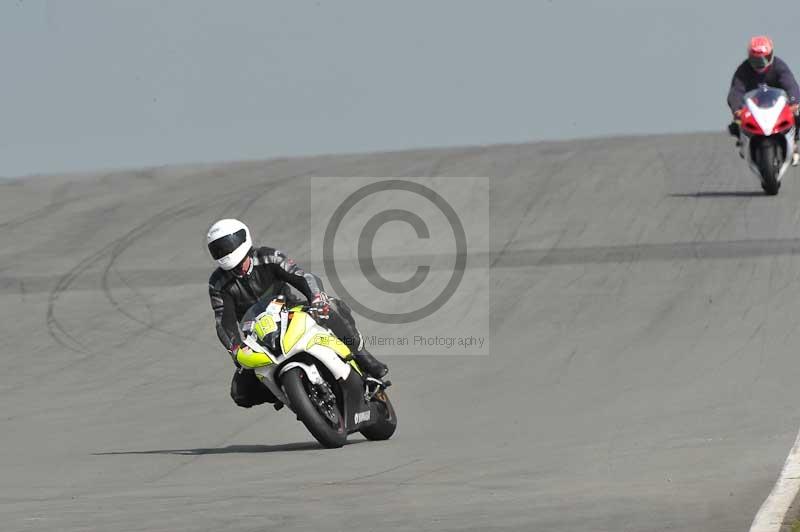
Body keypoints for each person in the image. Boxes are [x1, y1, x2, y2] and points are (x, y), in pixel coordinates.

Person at [206, 218, 388, 409]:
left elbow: (302, 276)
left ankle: (362, 356)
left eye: (239, 262)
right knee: (240, 393)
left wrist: (317, 297)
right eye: (219, 249)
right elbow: (223, 321)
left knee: (332, 308)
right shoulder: (217, 283)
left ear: (244, 242)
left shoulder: (268, 256)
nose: (237, 267)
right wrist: (235, 348)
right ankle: (284, 391)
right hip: (258, 334)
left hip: (291, 312)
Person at [727, 35, 800, 166]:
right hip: (754, 106)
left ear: (771, 55)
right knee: (735, 123)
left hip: (776, 104)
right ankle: (743, 143)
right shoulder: (744, 69)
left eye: (763, 58)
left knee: (797, 116)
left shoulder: (779, 66)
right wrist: (736, 108)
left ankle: (794, 143)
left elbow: (790, 84)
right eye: (755, 60)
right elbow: (736, 90)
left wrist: (794, 102)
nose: (760, 63)